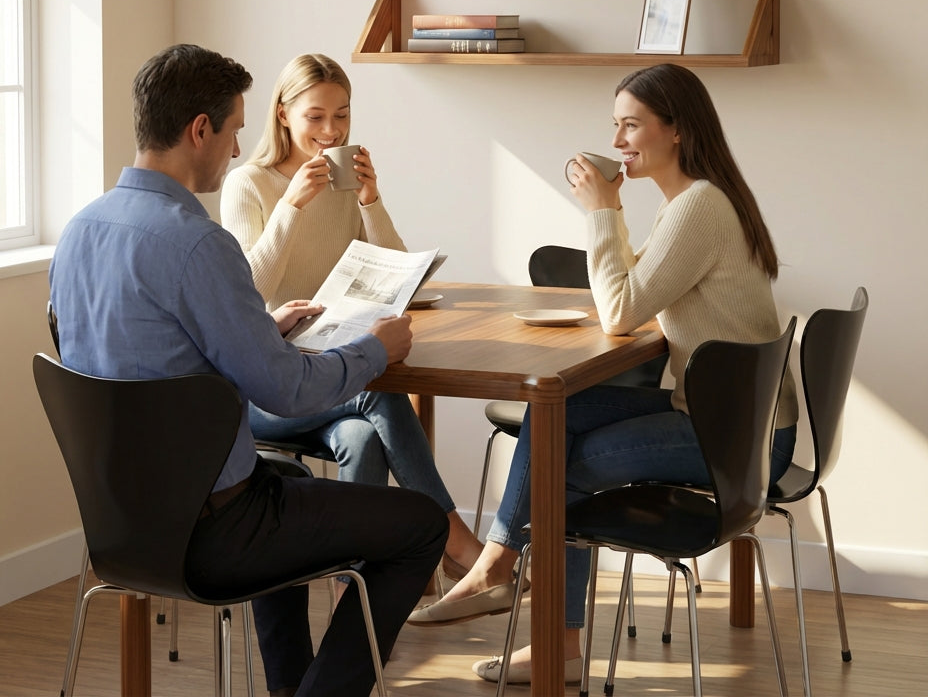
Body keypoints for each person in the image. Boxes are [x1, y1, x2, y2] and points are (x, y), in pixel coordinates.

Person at [49, 44, 448, 697]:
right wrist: (376, 350)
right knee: (421, 525)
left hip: (121, 524)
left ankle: (290, 688)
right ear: (199, 130)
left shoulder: (80, 231)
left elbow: (145, 355)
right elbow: (287, 392)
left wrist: (264, 331)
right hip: (213, 531)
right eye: (233, 130)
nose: (237, 149)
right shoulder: (198, 244)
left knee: (286, 478)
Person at [408, 63, 799, 687]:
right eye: (615, 125)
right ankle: (500, 572)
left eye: (631, 126)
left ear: (676, 129)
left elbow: (618, 312)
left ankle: (534, 617)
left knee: (554, 465)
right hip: (728, 418)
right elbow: (633, 294)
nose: (617, 141)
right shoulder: (691, 202)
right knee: (556, 412)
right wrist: (612, 217)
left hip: (737, 439)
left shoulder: (698, 207)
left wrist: (603, 209)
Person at [220, 53, 483, 582]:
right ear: (283, 114)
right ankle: (457, 541)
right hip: (270, 385)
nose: (331, 130)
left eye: (341, 115)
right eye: (315, 116)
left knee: (362, 438)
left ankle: (353, 593)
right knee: (377, 389)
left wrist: (369, 200)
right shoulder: (248, 184)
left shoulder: (342, 185)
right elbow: (249, 292)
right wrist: (291, 206)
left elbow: (398, 272)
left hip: (332, 370)